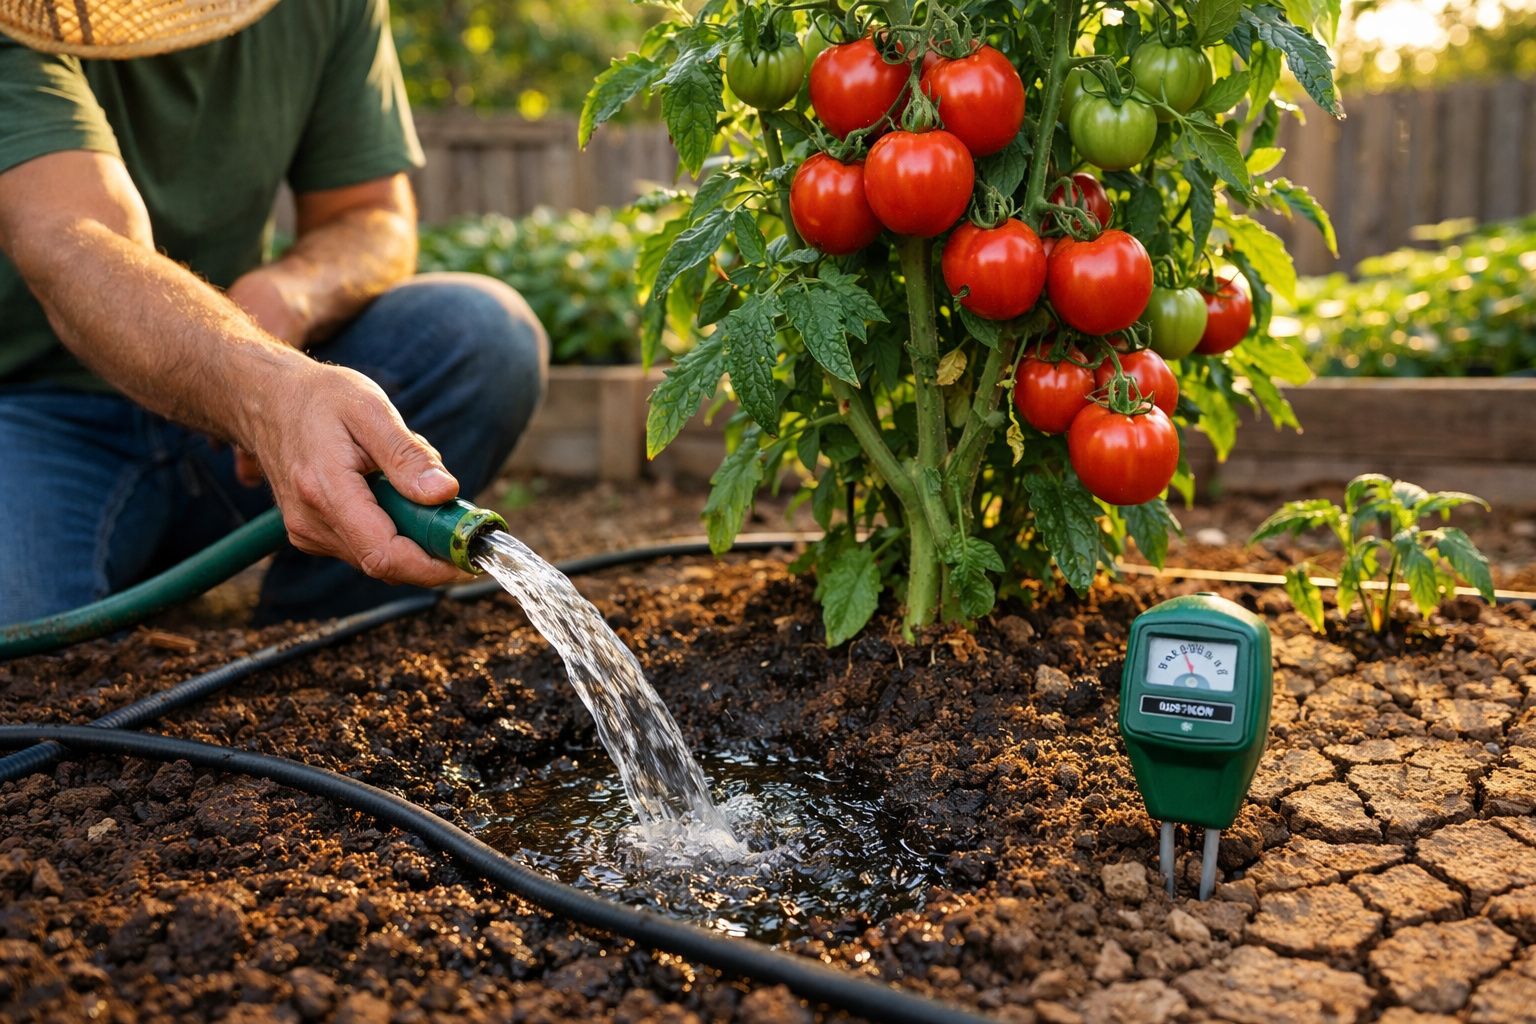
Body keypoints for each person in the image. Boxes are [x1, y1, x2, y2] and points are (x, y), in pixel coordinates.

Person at [0, 0, 548, 625]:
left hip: (231, 415)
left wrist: (290, 295)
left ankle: (321, 647)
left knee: (481, 335)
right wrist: (264, 389)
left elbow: (373, 214)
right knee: (25, 668)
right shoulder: (21, 16)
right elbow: (81, 241)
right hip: (35, 416)